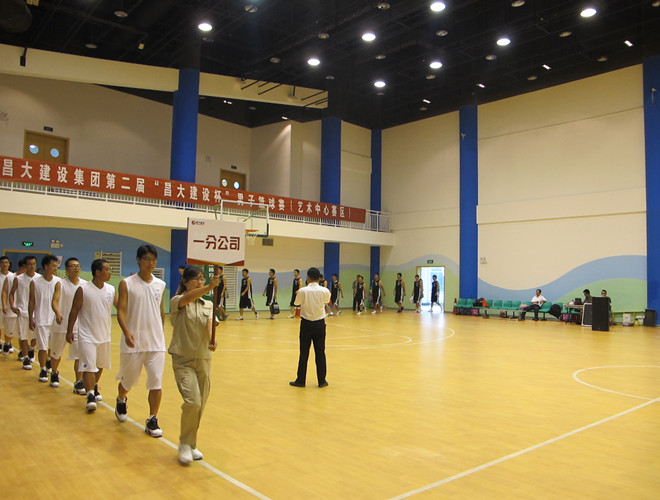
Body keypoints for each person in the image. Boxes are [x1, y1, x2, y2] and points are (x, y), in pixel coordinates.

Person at [115, 245, 167, 438]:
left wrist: (161, 333)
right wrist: (126, 331)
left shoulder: (160, 284)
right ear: (138, 260)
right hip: (133, 341)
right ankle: (121, 399)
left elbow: (161, 312)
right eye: (146, 259)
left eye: (153, 259)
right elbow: (121, 310)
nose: (150, 263)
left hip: (156, 343)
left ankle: (152, 418)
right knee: (128, 381)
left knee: (156, 382)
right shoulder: (127, 283)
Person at [170, 267, 219, 465]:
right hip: (183, 359)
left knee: (201, 404)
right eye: (196, 279)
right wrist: (208, 287)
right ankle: (184, 443)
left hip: (203, 359)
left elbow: (209, 324)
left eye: (202, 279)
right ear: (185, 282)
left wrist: (212, 339)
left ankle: (191, 443)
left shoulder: (208, 304)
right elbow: (188, 298)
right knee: (193, 401)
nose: (200, 282)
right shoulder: (178, 301)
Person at [67, 259, 117, 412]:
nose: (110, 272)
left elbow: (120, 306)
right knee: (89, 366)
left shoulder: (111, 289)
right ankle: (90, 394)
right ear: (98, 272)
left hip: (104, 335)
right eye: (107, 269)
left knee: (100, 365)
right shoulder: (83, 289)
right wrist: (69, 330)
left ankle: (94, 386)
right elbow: (74, 310)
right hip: (86, 335)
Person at [289, 267, 331, 388]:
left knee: (304, 353)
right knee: (320, 353)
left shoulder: (303, 291)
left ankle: (301, 380)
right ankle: (322, 381)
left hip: (306, 324)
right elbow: (327, 301)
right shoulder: (325, 291)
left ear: (308, 277)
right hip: (319, 324)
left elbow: (296, 303)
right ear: (318, 278)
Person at [51, 257, 86, 392]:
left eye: (78, 265)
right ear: (66, 269)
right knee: (56, 353)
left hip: (78, 326)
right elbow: (55, 301)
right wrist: (57, 312)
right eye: (72, 266)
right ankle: (54, 372)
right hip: (61, 324)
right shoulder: (60, 283)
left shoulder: (85, 285)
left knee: (79, 355)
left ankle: (78, 382)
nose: (76, 268)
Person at [28, 254, 61, 382]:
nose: (55, 268)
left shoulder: (58, 282)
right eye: (53, 266)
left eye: (56, 266)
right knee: (42, 346)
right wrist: (31, 318)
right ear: (46, 266)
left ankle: (51, 366)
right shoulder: (35, 282)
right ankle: (42, 370)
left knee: (53, 347)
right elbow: (32, 301)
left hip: (55, 320)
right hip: (41, 318)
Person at [9, 255, 38, 368]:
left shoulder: (40, 279)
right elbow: (11, 293)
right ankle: (26, 358)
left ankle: (31, 348)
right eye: (29, 264)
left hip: (37, 313)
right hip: (22, 311)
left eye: (34, 264)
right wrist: (12, 306)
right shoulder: (18, 278)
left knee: (35, 336)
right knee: (24, 336)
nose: (32, 266)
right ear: (25, 265)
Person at [1, 255, 16, 356]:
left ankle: (8, 343)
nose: (4, 264)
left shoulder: (13, 276)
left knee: (9, 328)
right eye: (2, 262)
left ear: (9, 264)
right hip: (0, 305)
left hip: (9, 307)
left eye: (6, 262)